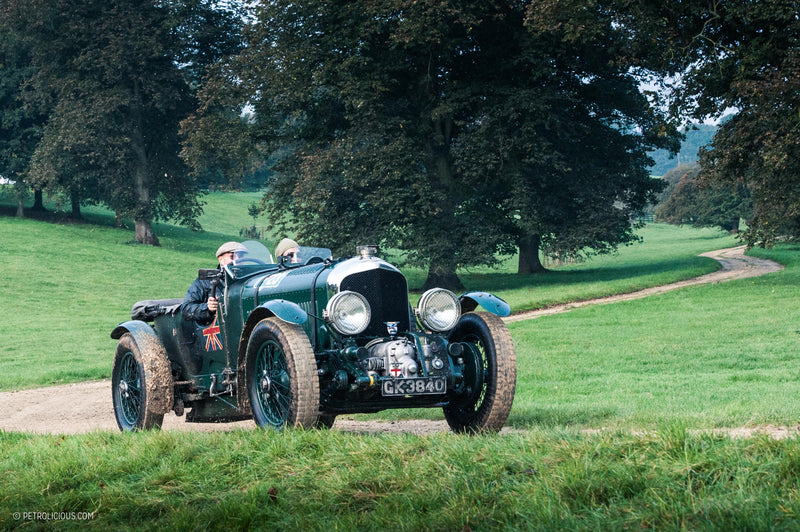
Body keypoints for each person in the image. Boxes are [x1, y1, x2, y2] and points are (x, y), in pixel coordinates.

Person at [181, 241, 245, 325]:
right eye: (232, 257)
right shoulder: (205, 281)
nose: (237, 261)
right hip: (218, 329)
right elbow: (186, 309)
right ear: (221, 259)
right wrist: (208, 308)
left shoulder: (250, 280)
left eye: (241, 257)